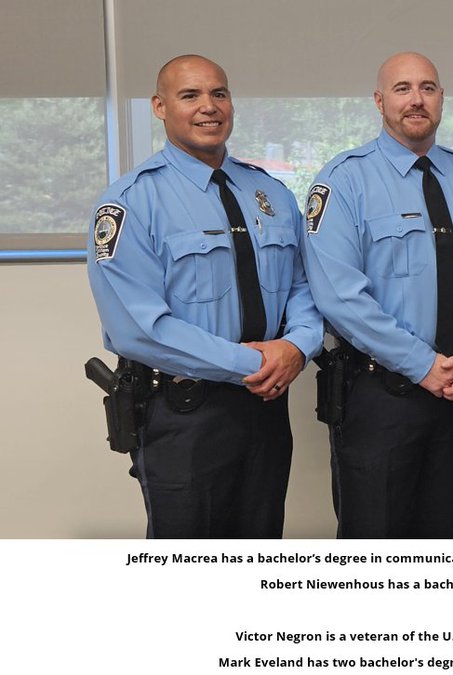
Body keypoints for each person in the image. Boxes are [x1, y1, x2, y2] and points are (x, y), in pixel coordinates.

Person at [86, 55, 323, 538]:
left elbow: (304, 286)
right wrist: (251, 364)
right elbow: (139, 327)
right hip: (183, 413)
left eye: (219, 93)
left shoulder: (271, 194)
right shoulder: (131, 201)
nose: (208, 107)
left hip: (264, 411)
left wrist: (298, 345)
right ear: (159, 106)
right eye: (189, 95)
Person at [301, 52, 453, 538]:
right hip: (380, 397)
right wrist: (422, 364)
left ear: (441, 99)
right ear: (380, 101)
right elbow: (339, 296)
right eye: (402, 89)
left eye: (428, 88)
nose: (416, 99)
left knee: (447, 540)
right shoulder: (344, 180)